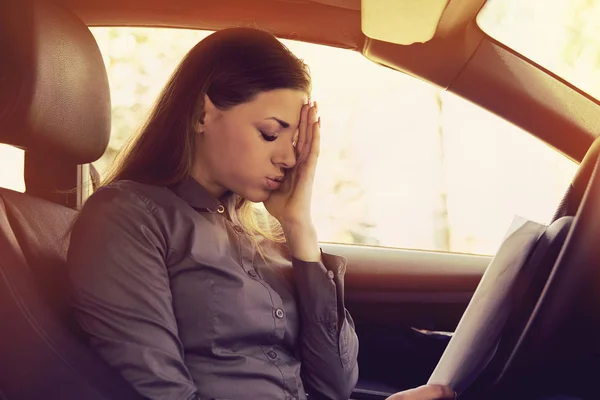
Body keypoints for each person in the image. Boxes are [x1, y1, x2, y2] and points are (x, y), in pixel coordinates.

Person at [67, 27, 455, 400]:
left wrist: (299, 226)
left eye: (295, 143)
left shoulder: (265, 233)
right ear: (203, 113)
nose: (288, 158)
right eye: (270, 133)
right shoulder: (129, 218)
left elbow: (335, 385)